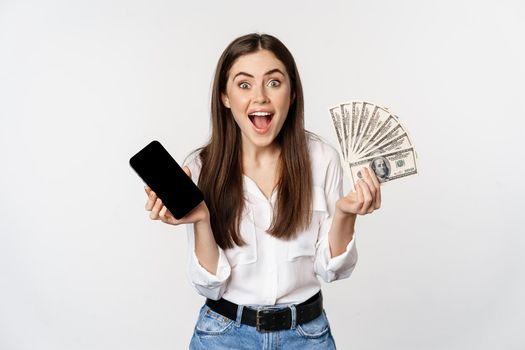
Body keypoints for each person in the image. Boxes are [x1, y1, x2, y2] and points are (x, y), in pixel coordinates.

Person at [143, 33, 381, 349]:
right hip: (223, 335)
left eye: (273, 83)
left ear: (292, 93)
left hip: (306, 336)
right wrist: (201, 219)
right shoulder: (200, 167)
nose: (260, 97)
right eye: (244, 85)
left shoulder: (322, 159)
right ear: (224, 97)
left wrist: (346, 215)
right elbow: (210, 285)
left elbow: (332, 269)